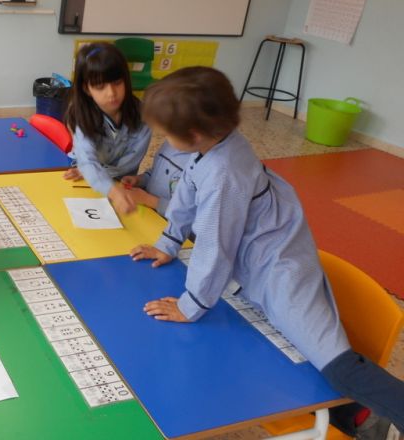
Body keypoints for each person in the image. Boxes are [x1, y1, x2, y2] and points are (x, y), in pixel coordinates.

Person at [129, 66, 403, 438]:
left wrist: (190, 305)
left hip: (282, 273)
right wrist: (168, 244)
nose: (164, 139)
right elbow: (185, 198)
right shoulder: (212, 146)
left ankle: (380, 412)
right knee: (282, 353)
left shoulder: (224, 173)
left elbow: (214, 245)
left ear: (193, 134)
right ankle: (364, 418)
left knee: (335, 364)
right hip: (258, 266)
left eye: (167, 133)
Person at [64, 42, 152, 214]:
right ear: (87, 89)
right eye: (100, 87)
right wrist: (88, 170)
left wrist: (94, 173)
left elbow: (130, 162)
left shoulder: (142, 116)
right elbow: (86, 158)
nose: (111, 93)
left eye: (117, 83)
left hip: (120, 181)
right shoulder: (82, 115)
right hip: (83, 172)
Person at [122, 139, 192, 216]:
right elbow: (154, 172)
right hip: (146, 212)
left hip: (165, 221)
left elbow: (188, 214)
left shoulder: (197, 166)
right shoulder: (169, 142)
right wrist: (139, 180)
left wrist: (147, 199)